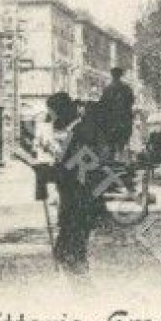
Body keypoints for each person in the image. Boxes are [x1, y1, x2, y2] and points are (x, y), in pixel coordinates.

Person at [48, 92, 101, 274]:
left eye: (53, 113)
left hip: (78, 203)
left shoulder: (81, 133)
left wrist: (52, 171)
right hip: (76, 203)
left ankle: (82, 296)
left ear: (62, 112)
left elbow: (78, 169)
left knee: (71, 254)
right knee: (69, 252)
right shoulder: (79, 130)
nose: (52, 118)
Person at [96, 67, 136, 158]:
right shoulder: (126, 88)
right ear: (121, 75)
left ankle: (112, 155)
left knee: (110, 143)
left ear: (112, 75)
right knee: (123, 141)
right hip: (123, 118)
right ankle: (120, 153)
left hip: (110, 120)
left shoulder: (107, 89)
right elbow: (131, 101)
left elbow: (102, 104)